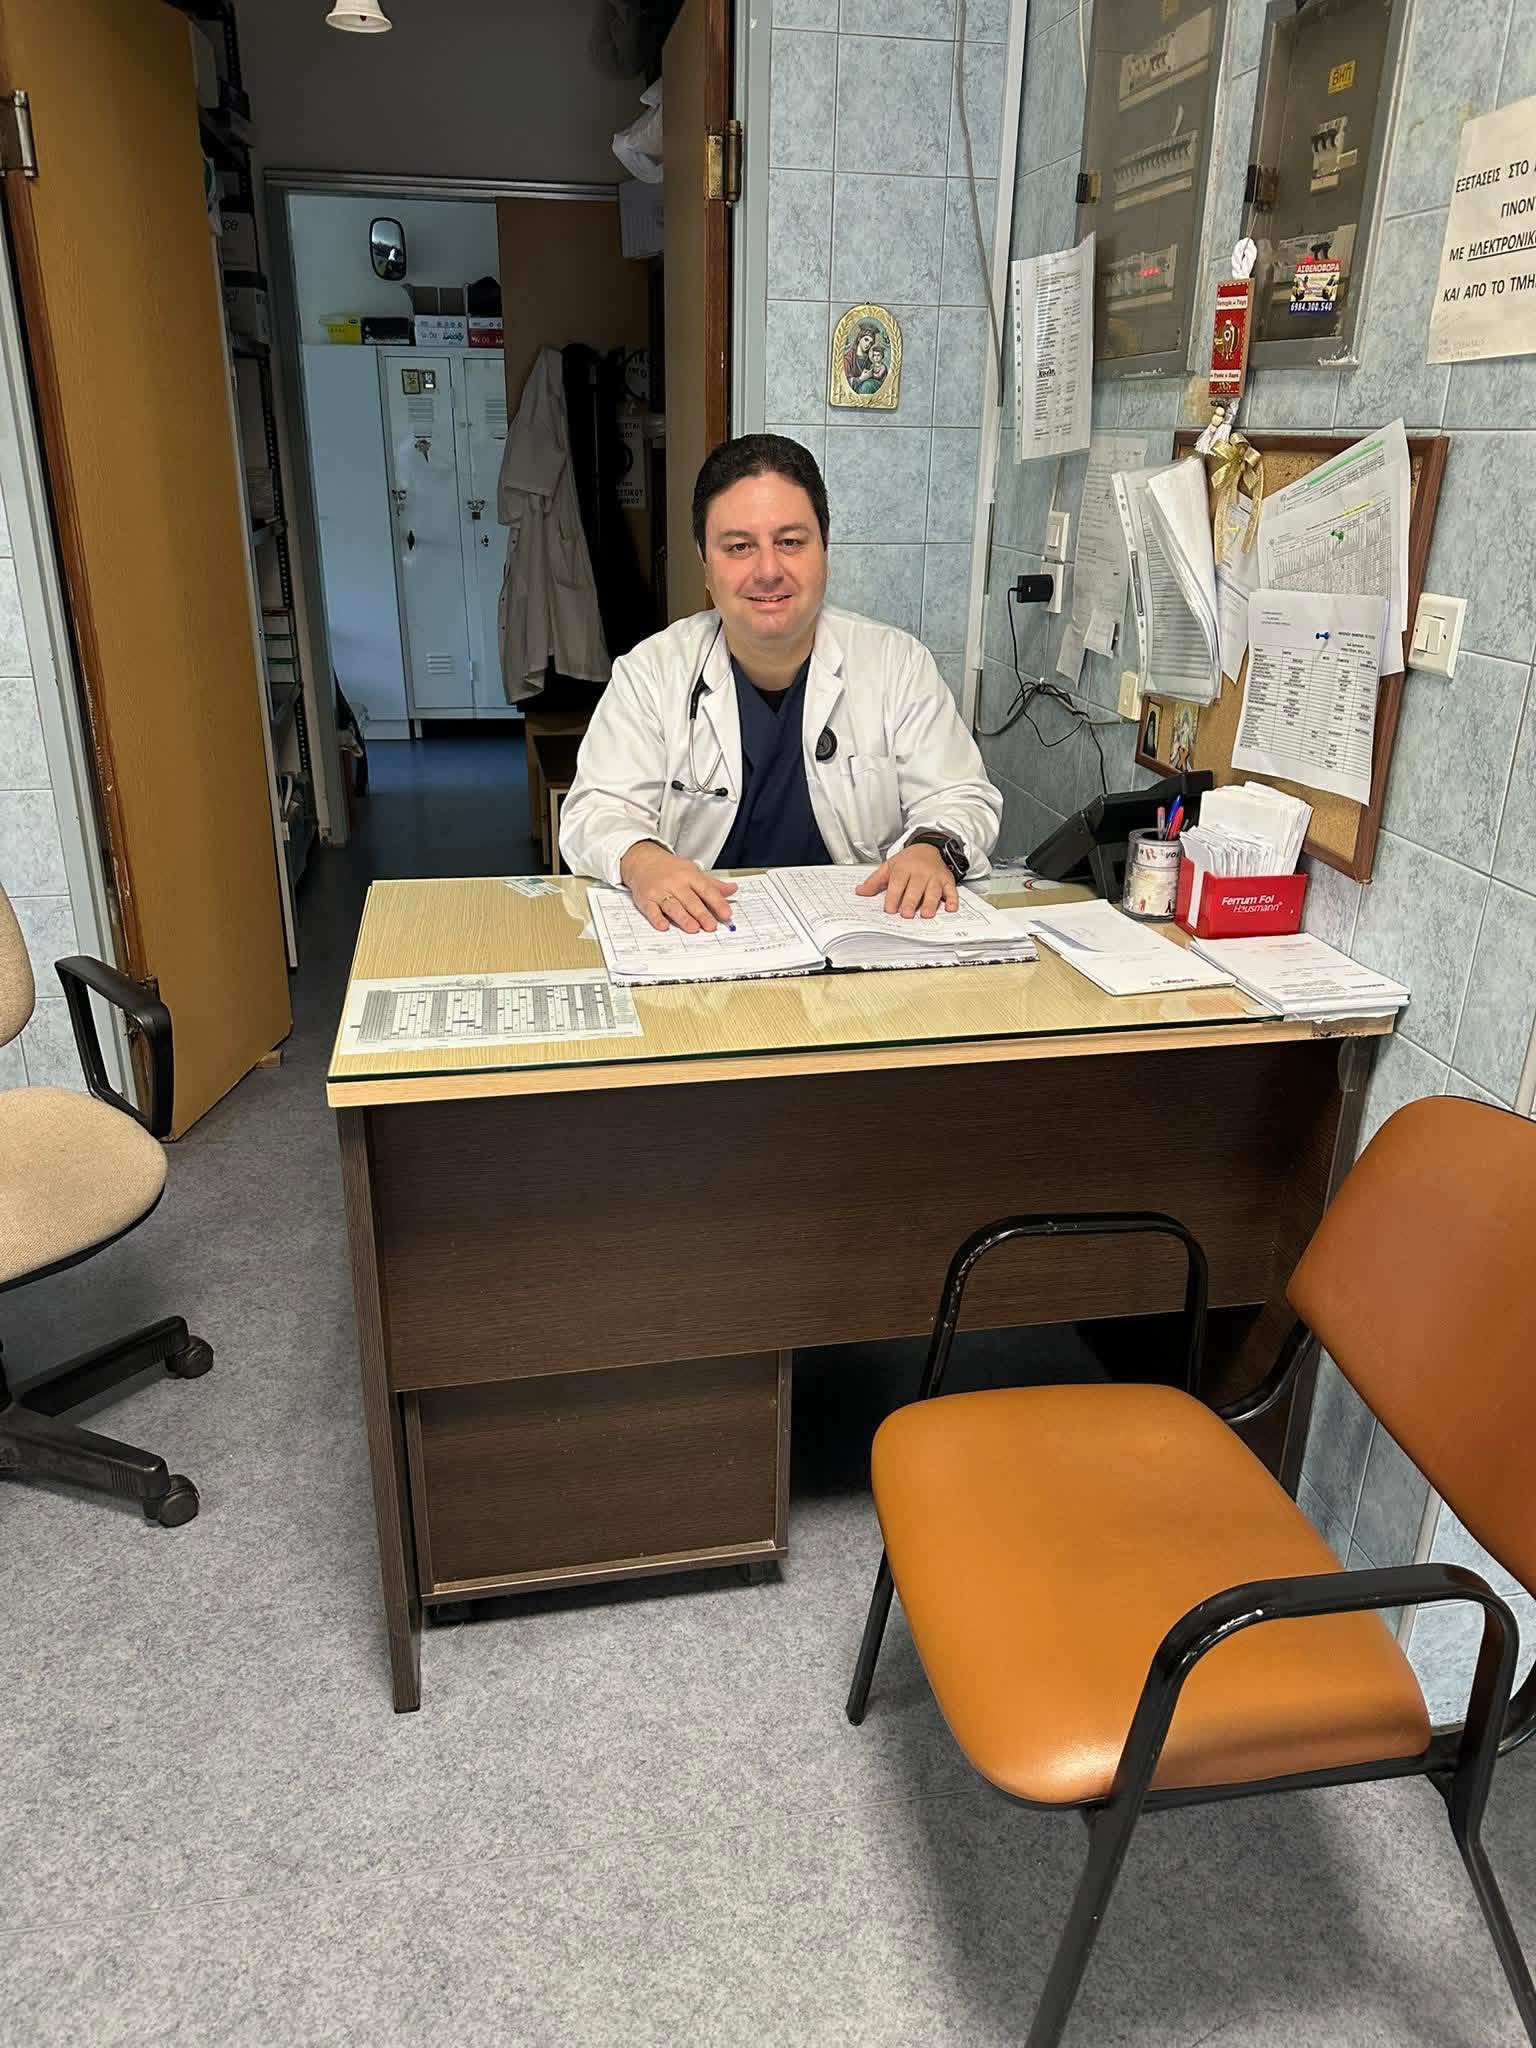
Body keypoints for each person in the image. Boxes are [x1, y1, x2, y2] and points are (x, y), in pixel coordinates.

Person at [558, 434, 1003, 934]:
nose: (768, 571)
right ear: (705, 563)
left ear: (825, 550)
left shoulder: (896, 664)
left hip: (862, 936)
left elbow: (961, 795)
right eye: (739, 547)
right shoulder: (651, 673)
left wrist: (930, 849)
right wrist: (643, 861)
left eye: (790, 542)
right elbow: (595, 810)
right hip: (701, 936)